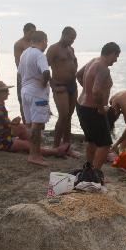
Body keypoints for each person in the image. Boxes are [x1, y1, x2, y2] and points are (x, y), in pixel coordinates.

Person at [0, 80, 70, 157]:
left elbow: (0, 127)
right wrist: (16, 126)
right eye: (5, 91)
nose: (8, 93)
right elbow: (6, 129)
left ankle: (38, 147)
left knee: (21, 127)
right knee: (26, 142)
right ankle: (55, 151)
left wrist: (15, 124)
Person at [76, 42, 121, 175]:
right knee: (105, 144)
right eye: (116, 56)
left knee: (92, 140)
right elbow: (96, 91)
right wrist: (101, 107)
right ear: (111, 53)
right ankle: (94, 174)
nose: (116, 60)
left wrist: (86, 91)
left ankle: (88, 168)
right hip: (93, 110)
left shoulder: (93, 61)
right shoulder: (103, 68)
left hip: (81, 106)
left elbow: (78, 75)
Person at [17, 30, 52, 166]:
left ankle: (34, 153)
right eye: (46, 41)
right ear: (43, 40)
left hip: (25, 91)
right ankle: (34, 155)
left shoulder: (24, 54)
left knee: (30, 125)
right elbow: (46, 72)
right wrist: (43, 85)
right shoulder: (39, 55)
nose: (46, 44)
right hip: (37, 94)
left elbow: (19, 73)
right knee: (37, 126)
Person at [46, 26, 79, 154]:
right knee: (63, 115)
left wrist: (74, 70)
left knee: (69, 116)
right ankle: (56, 146)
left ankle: (66, 145)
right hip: (60, 85)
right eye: (71, 38)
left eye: (74, 39)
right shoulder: (54, 49)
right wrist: (52, 84)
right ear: (64, 34)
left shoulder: (71, 49)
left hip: (72, 84)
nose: (72, 41)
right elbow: (44, 67)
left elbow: (74, 61)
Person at [13, 22, 36, 123]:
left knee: (36, 101)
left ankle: (37, 125)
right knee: (23, 102)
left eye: (34, 32)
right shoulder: (19, 44)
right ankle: (27, 124)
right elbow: (18, 62)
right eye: (31, 32)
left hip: (34, 77)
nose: (33, 34)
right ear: (25, 32)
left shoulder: (34, 44)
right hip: (23, 76)